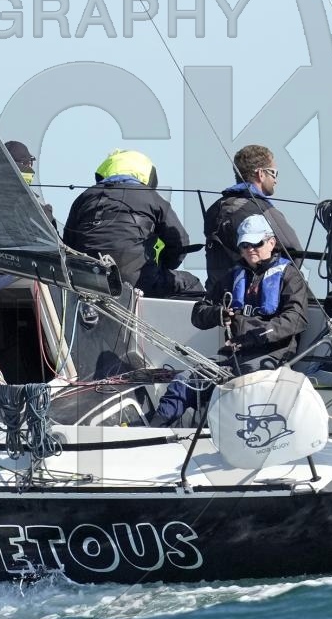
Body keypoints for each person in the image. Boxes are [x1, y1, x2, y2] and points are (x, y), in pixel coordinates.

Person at [151, 214, 310, 425]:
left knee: (238, 386)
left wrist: (255, 336)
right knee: (184, 382)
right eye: (244, 244)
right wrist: (219, 313)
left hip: (270, 357)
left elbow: (296, 319)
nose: (250, 249)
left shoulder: (290, 276)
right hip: (232, 356)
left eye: (257, 243)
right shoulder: (232, 276)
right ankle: (152, 432)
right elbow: (198, 314)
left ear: (271, 243)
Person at [61, 149, 201, 298]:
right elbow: (181, 243)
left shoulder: (84, 197)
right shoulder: (152, 197)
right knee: (190, 283)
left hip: (85, 279)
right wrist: (164, 265)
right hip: (138, 281)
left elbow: (67, 244)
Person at [201, 143, 303, 283]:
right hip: (255, 291)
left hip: (217, 290)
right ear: (261, 174)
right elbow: (295, 252)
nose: (276, 180)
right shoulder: (263, 209)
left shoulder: (214, 209)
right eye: (274, 173)